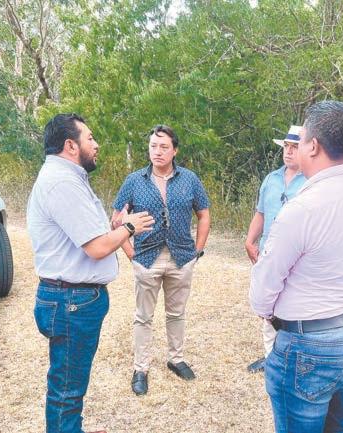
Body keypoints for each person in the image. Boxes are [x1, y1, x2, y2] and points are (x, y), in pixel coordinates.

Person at [250, 101, 343, 433]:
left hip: (312, 346)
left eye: (302, 138)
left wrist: (269, 314)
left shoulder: (302, 209)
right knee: (341, 425)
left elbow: (263, 290)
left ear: (313, 146)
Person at [27, 113, 154, 433]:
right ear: (71, 145)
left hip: (72, 299)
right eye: (90, 138)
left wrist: (115, 228)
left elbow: (89, 236)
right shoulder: (62, 183)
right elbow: (96, 248)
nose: (96, 145)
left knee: (70, 382)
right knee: (67, 390)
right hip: (71, 301)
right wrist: (130, 227)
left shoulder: (67, 178)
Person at [112, 124, 210, 396]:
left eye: (164, 146)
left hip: (181, 257)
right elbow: (116, 220)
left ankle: (176, 359)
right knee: (143, 316)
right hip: (146, 257)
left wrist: (197, 251)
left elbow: (204, 214)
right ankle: (140, 368)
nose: (157, 151)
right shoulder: (134, 181)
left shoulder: (190, 179)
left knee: (176, 313)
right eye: (153, 146)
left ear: (174, 150)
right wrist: (130, 254)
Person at [245, 125, 306, 373]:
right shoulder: (271, 179)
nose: (288, 152)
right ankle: (271, 358)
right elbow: (261, 212)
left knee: (294, 308)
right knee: (268, 307)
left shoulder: (312, 182)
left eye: (295, 147)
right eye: (286, 147)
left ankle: (295, 360)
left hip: (297, 257)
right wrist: (250, 240)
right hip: (268, 254)